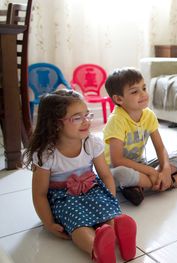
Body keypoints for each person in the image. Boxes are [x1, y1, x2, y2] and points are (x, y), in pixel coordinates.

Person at [23, 90, 137, 263]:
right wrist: (48, 223)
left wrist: (110, 199)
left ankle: (120, 234)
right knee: (79, 226)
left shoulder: (91, 143)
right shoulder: (47, 154)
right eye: (77, 118)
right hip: (64, 198)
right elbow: (39, 194)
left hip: (93, 189)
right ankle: (96, 247)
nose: (86, 121)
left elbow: (105, 175)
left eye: (87, 115)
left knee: (108, 214)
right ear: (55, 124)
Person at [103, 67, 177, 206]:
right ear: (119, 99)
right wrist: (153, 172)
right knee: (121, 174)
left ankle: (139, 186)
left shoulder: (148, 115)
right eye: (135, 91)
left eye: (144, 88)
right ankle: (169, 182)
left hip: (140, 165)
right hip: (116, 169)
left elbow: (160, 147)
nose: (143, 94)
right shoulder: (116, 120)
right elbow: (117, 160)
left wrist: (165, 168)